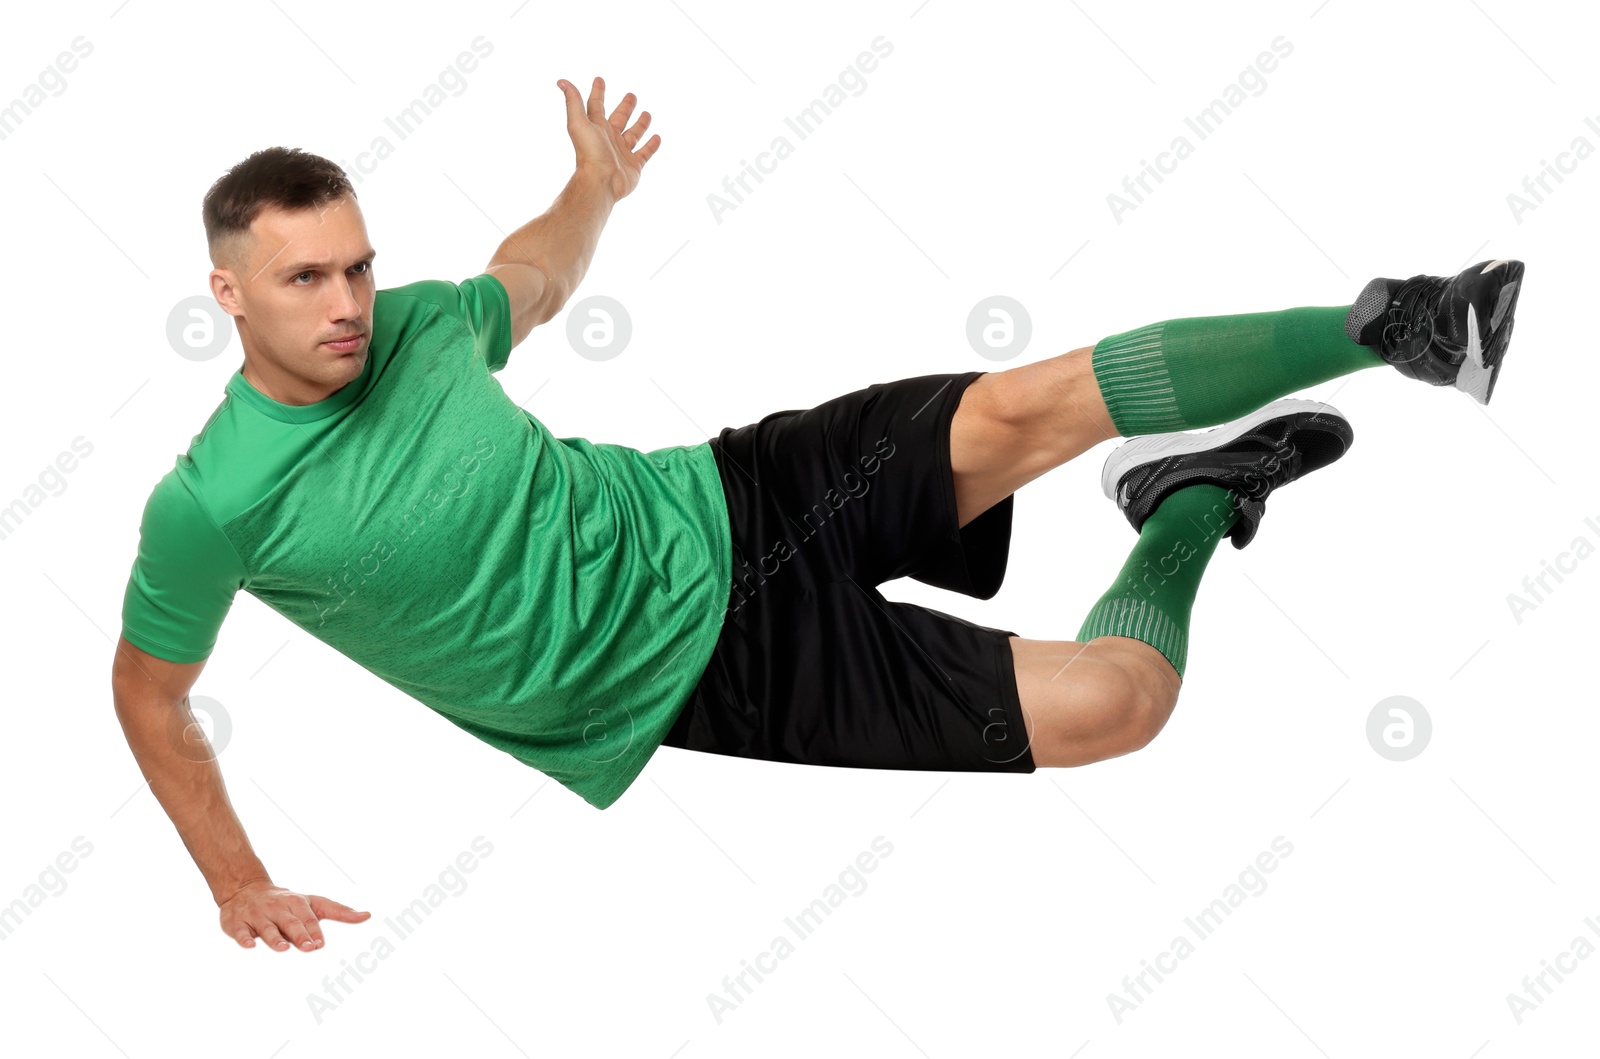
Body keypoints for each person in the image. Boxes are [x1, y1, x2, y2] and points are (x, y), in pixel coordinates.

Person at [110, 76, 1526, 954]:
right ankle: (1192, 502)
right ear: (228, 291)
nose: (349, 304)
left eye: (356, 266)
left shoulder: (420, 325)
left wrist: (589, 187)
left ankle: (1403, 320)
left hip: (733, 491)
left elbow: (528, 276)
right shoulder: (212, 504)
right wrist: (237, 880)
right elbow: (152, 700)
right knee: (1117, 704)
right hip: (713, 677)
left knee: (1031, 404)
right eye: (305, 281)